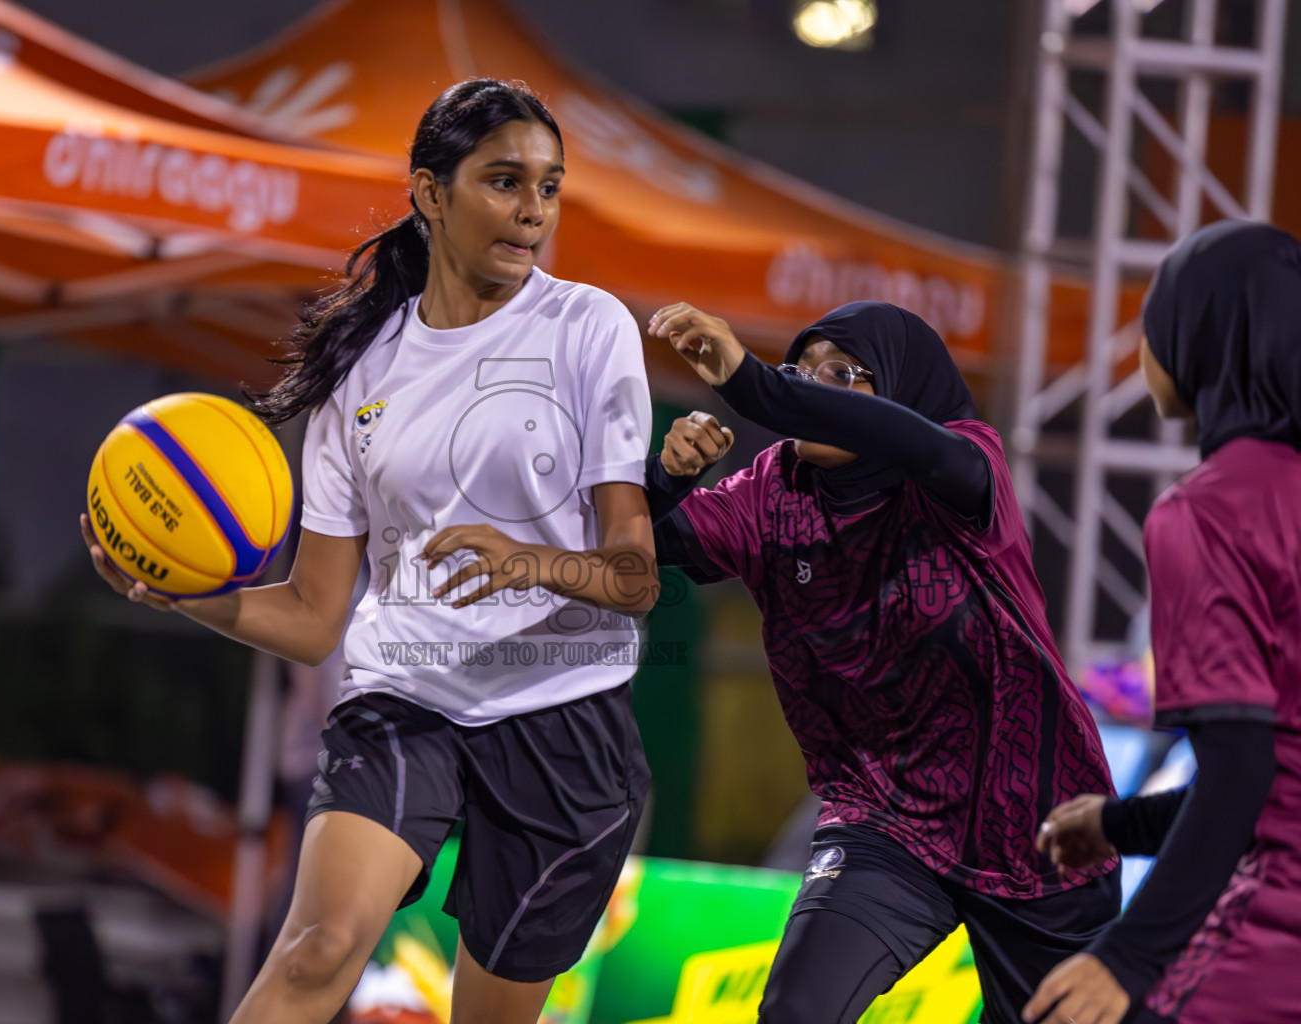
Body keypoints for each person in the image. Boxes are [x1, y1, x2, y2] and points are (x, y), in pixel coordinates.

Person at [81, 79, 656, 1024]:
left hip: (566, 715)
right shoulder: (362, 372)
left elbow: (634, 578)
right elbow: (313, 619)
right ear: (430, 193)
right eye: (505, 181)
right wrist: (173, 589)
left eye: (549, 188)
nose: (532, 212)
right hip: (406, 700)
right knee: (317, 952)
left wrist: (533, 563)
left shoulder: (588, 328)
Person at [645, 300, 1119, 1024]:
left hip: (1041, 830)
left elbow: (915, 444)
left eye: (841, 374)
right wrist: (667, 478)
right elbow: (641, 549)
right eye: (799, 372)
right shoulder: (773, 491)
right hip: (885, 822)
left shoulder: (963, 466)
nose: (812, 388)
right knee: (795, 1013)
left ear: (898, 388)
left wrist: (753, 381)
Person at [1027, 221, 1301, 1024]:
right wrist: (1119, 824)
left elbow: (1244, 775)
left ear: (1198, 337)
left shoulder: (1210, 512)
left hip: (1270, 944)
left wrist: (1128, 958)